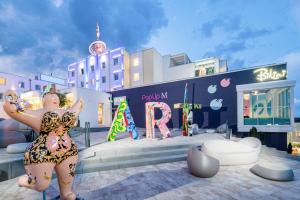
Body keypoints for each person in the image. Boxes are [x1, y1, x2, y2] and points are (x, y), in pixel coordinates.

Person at [3, 89, 84, 200]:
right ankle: (26, 180)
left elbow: (77, 108)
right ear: (43, 101)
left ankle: (65, 194)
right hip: (43, 152)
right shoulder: (38, 113)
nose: (52, 96)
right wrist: (10, 97)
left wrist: (80, 101)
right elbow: (14, 110)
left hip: (68, 152)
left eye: (55, 95)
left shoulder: (65, 111)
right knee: (41, 185)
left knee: (67, 186)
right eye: (48, 94)